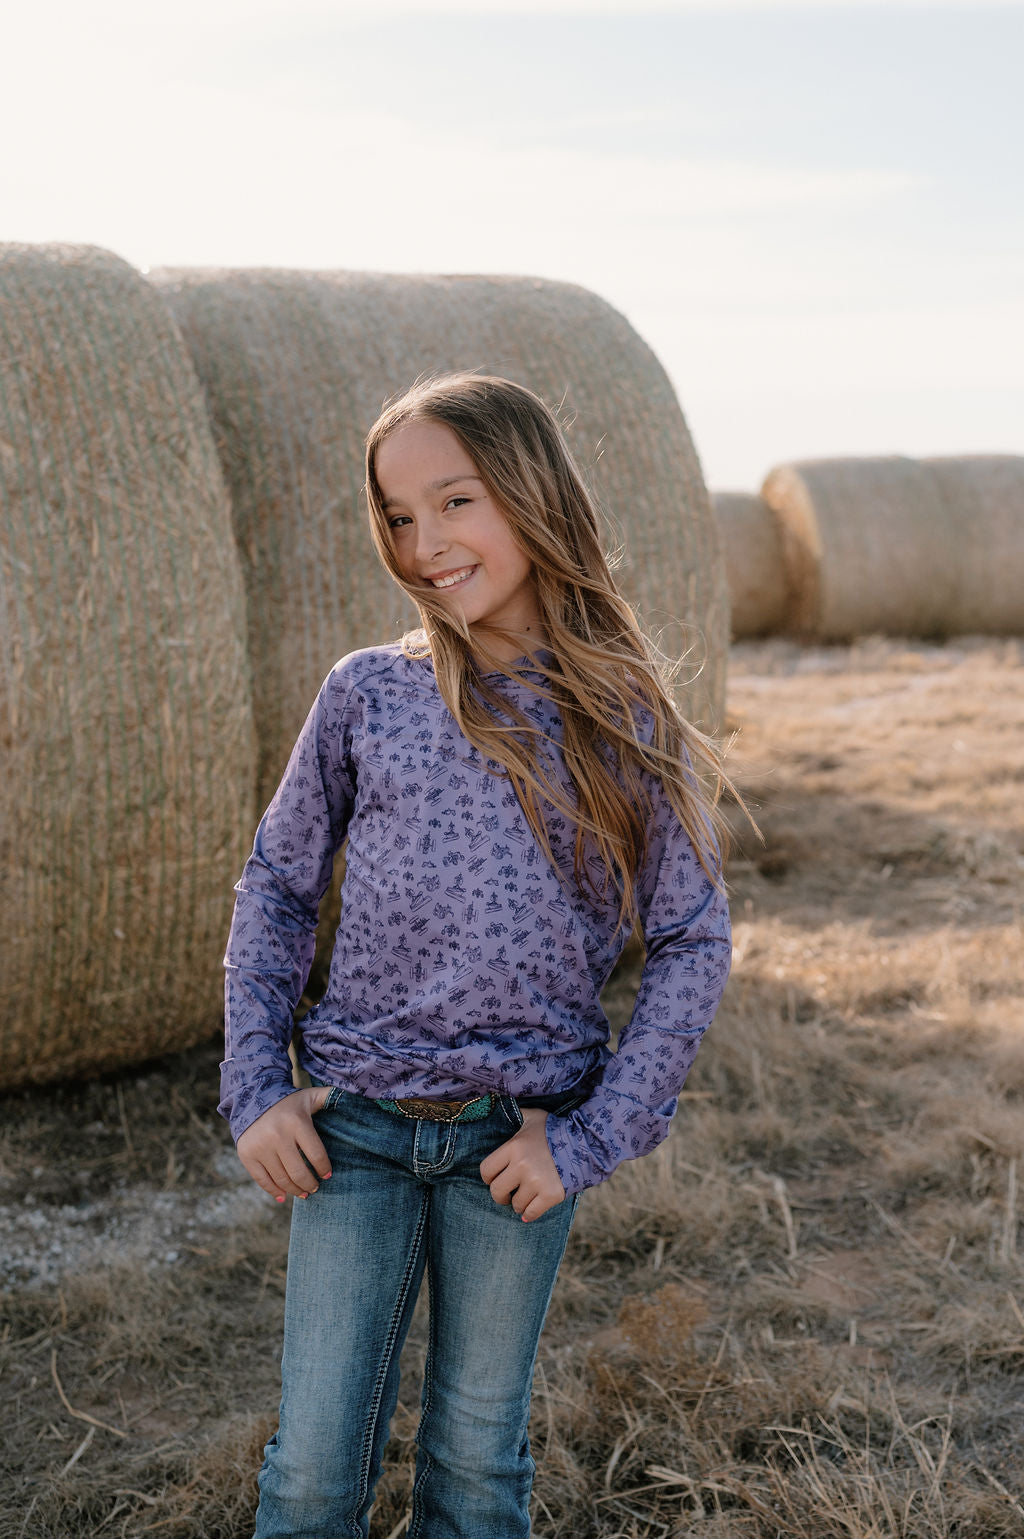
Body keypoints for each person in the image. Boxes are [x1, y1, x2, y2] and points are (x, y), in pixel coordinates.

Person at [219, 373, 733, 1539]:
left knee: (473, 1474)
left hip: (519, 1143)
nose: (423, 542)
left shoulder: (623, 714)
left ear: (532, 494)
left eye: (455, 502)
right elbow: (280, 887)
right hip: (351, 1132)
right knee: (308, 1480)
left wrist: (594, 1137)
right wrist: (255, 1087)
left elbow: (694, 937)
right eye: (398, 516)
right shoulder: (369, 695)